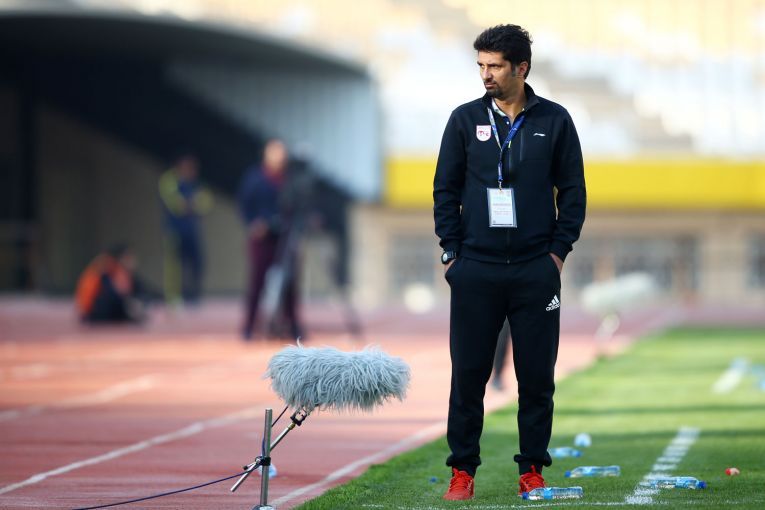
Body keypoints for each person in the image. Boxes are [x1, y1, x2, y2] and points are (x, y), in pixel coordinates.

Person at [433, 24, 586, 500]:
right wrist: (452, 253)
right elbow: (445, 190)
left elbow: (573, 193)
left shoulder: (555, 121)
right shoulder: (464, 120)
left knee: (536, 378)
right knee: (468, 376)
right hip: (475, 268)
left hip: (535, 269)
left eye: (495, 66)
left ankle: (532, 470)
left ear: (522, 68)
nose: (486, 74)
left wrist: (557, 254)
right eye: (481, 65)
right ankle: (462, 471)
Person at [238, 139, 304, 341]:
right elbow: (244, 204)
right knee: (257, 281)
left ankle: (292, 324)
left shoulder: (290, 179)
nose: (279, 157)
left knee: (290, 283)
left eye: (281, 153)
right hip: (263, 237)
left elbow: (299, 206)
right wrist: (255, 223)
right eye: (274, 153)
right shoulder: (255, 178)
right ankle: (249, 326)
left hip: (285, 236)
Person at [158, 154, 213, 306]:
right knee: (174, 265)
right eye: (188, 167)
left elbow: (206, 203)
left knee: (197, 262)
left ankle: (193, 295)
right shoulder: (169, 180)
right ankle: (174, 298)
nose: (191, 171)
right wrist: (191, 204)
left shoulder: (195, 183)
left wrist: (192, 205)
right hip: (174, 230)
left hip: (191, 229)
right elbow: (177, 205)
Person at [75, 244, 146, 323]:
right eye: (129, 257)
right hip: (93, 313)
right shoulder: (106, 270)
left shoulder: (110, 268)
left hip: (92, 312)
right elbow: (115, 294)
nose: (133, 261)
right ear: (121, 258)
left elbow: (139, 286)